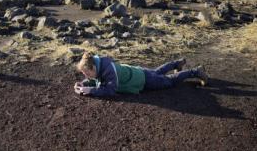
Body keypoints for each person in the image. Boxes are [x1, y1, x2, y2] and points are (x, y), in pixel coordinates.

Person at [74, 52, 208, 97]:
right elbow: (96, 79)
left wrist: (91, 90)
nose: (86, 76)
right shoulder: (100, 65)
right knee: (157, 71)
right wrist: (84, 84)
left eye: (86, 73)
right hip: (137, 71)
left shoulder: (108, 70)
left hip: (142, 80)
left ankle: (196, 71)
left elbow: (110, 89)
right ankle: (177, 64)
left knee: (169, 81)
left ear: (92, 68)